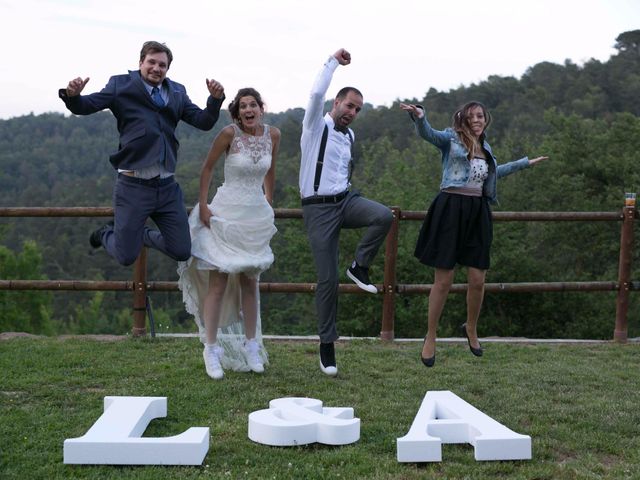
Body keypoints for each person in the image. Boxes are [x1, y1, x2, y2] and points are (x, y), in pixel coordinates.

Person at [400, 101, 549, 367]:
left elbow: (493, 174)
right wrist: (420, 117)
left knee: (478, 279)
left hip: (477, 212)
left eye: (480, 116)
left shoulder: (486, 148)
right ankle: (430, 336)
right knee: (443, 281)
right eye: (472, 117)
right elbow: (428, 134)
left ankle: (471, 327)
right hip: (450, 209)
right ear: (464, 120)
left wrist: (525, 163)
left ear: (485, 119)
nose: (477, 120)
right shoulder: (451, 138)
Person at [59, 41, 225, 266]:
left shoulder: (177, 91)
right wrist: (73, 96)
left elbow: (203, 122)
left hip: (167, 188)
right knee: (126, 256)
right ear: (141, 63)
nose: (157, 68)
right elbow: (85, 106)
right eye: (152, 62)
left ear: (168, 69)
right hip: (133, 187)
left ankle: (142, 235)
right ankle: (107, 233)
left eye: (162, 65)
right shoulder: (121, 85)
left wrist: (214, 100)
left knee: (182, 251)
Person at [300, 49, 394, 377]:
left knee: (383, 216)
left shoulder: (350, 135)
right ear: (336, 104)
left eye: (357, 109)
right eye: (349, 105)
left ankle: (359, 266)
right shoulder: (315, 127)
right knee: (327, 280)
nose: (352, 112)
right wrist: (332, 62)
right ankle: (327, 344)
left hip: (345, 201)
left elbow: (340, 171)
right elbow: (315, 93)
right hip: (318, 211)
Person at [178, 88, 280, 380]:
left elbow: (271, 170)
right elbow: (207, 168)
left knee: (250, 281)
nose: (249, 110)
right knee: (219, 282)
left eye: (253, 105)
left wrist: (269, 200)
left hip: (254, 218)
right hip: (225, 214)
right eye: (243, 106)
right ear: (237, 113)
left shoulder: (273, 135)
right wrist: (203, 205)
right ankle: (211, 349)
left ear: (261, 108)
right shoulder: (228, 134)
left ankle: (251, 345)